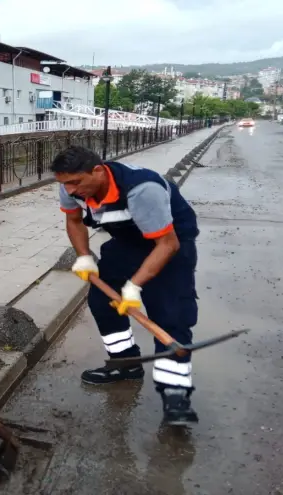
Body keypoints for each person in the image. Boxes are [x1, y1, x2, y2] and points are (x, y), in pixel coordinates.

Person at [51, 145, 200, 426]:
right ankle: (126, 364)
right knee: (101, 301)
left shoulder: (141, 189)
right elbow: (73, 220)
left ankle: (176, 397)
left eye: (75, 182)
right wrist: (84, 256)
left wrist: (134, 287)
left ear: (97, 171)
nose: (69, 190)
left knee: (170, 319)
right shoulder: (71, 188)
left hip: (170, 243)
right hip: (128, 242)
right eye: (64, 183)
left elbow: (167, 244)